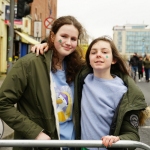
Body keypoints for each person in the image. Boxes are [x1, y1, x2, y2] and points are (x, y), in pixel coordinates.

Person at [31, 36, 149, 150]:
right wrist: (50, 47)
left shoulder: (124, 92)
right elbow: (65, 54)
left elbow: (132, 135)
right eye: (93, 52)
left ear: (114, 59)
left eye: (104, 52)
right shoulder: (82, 79)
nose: (98, 55)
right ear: (89, 60)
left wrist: (118, 139)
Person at [0, 15, 87, 150]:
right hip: (40, 146)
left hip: (71, 144)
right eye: (63, 36)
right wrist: (34, 132)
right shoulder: (29, 64)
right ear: (52, 36)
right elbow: (3, 103)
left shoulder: (79, 69)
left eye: (73, 39)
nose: (68, 42)